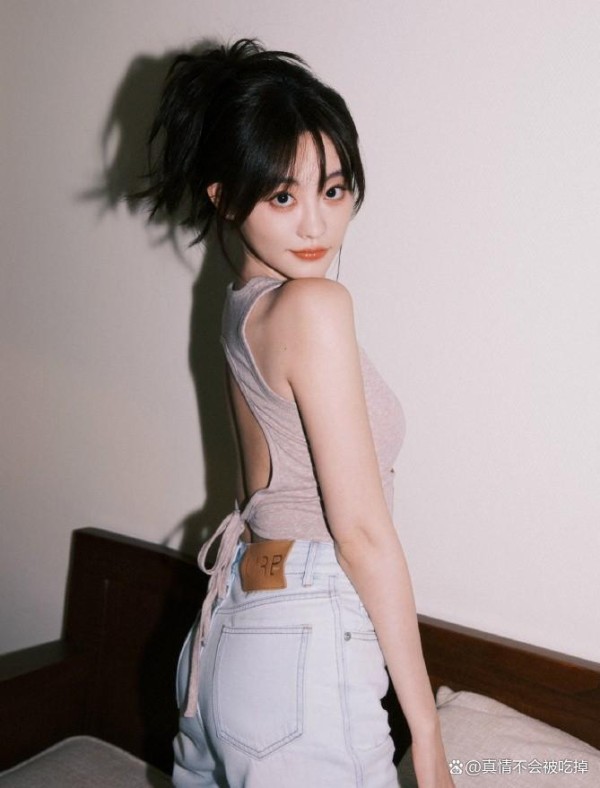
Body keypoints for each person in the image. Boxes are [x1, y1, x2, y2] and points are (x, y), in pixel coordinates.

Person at [142, 38, 453, 788]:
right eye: (283, 197)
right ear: (225, 197)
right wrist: (428, 735)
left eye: (334, 190)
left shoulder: (239, 308)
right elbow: (362, 533)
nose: (316, 225)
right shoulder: (313, 305)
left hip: (229, 634)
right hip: (301, 642)